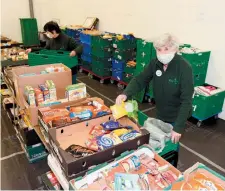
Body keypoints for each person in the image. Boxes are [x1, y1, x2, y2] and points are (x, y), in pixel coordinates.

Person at [116, 33, 194, 145]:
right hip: (160, 112)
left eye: (166, 49)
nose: (162, 53)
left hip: (176, 116)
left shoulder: (184, 68)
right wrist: (126, 93)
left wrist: (178, 127)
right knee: (158, 142)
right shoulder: (155, 63)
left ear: (175, 49)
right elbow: (140, 79)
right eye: (159, 50)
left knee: (170, 144)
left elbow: (187, 100)